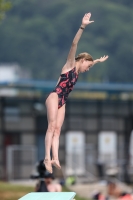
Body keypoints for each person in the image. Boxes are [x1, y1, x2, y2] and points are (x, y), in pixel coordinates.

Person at [44, 12, 109, 173]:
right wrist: (82, 26)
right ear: (82, 61)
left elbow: (91, 62)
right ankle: (47, 157)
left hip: (63, 101)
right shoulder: (70, 65)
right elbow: (74, 44)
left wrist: (98, 61)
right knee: (51, 126)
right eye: (88, 66)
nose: (88, 69)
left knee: (58, 130)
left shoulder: (80, 71)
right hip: (55, 96)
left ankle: (55, 157)